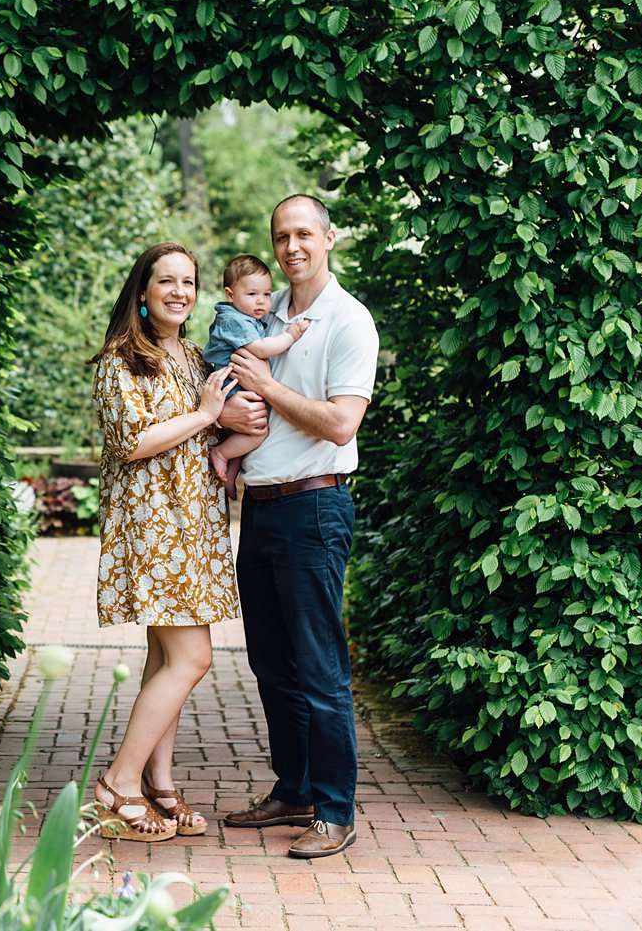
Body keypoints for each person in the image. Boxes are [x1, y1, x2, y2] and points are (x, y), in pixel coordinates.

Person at [221, 195, 379, 859]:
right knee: (270, 662)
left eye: (304, 234)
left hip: (315, 505)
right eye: (282, 235)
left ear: (329, 237)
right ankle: (296, 787)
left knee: (319, 666)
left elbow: (341, 423)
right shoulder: (268, 310)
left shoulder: (348, 320)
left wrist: (267, 383)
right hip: (259, 504)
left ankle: (335, 809)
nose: (292, 247)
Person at [86, 242, 257, 840]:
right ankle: (118, 782)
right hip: (155, 528)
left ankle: (159, 783)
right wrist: (209, 414)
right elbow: (130, 443)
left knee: (165, 658)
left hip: (195, 525)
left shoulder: (190, 354)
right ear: (143, 291)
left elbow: (213, 422)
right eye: (167, 281)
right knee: (194, 658)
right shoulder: (120, 360)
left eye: (188, 282)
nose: (180, 292)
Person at [202, 254, 312, 498]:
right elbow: (261, 349)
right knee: (258, 431)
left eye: (267, 294)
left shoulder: (248, 317)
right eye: (252, 294)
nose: (261, 302)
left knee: (250, 429)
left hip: (239, 384)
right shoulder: (233, 320)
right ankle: (221, 454)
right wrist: (291, 336)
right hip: (232, 386)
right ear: (230, 295)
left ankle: (229, 474)